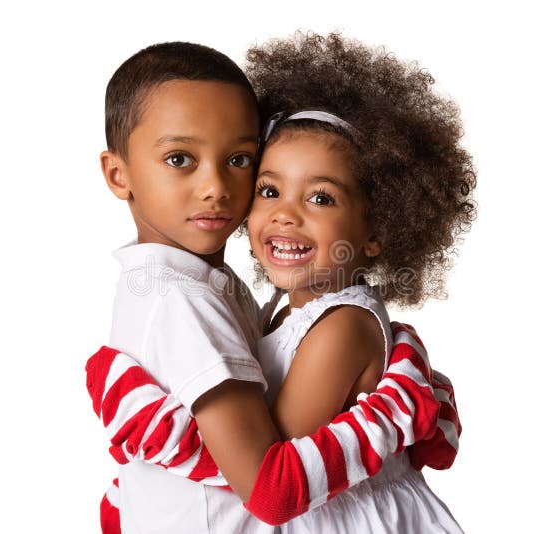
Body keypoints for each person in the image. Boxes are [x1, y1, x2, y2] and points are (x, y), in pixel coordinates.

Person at [88, 33, 473, 532]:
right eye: (270, 189)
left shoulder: (323, 321)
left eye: (320, 198)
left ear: (379, 229)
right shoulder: (185, 297)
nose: (216, 187)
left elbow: (272, 475)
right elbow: (263, 471)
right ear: (119, 175)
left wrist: (397, 407)